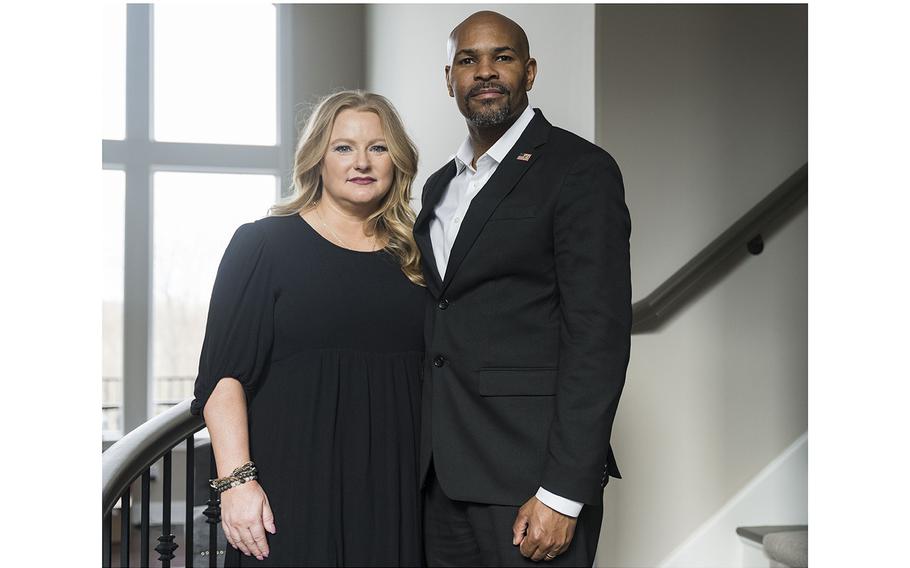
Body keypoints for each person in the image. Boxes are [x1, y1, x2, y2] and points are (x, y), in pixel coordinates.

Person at [414, 11, 632, 566]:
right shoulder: (439, 187)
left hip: (530, 483)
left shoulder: (580, 169)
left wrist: (563, 491)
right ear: (449, 80)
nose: (485, 72)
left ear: (529, 71)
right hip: (440, 482)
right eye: (468, 60)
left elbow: (598, 337)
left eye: (502, 57)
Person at [190, 90, 426, 567]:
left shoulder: (419, 256)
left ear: (396, 160)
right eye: (343, 147)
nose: (361, 161)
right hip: (292, 491)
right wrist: (236, 484)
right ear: (317, 157)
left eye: (378, 147)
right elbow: (222, 378)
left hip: (397, 493)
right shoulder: (263, 244)